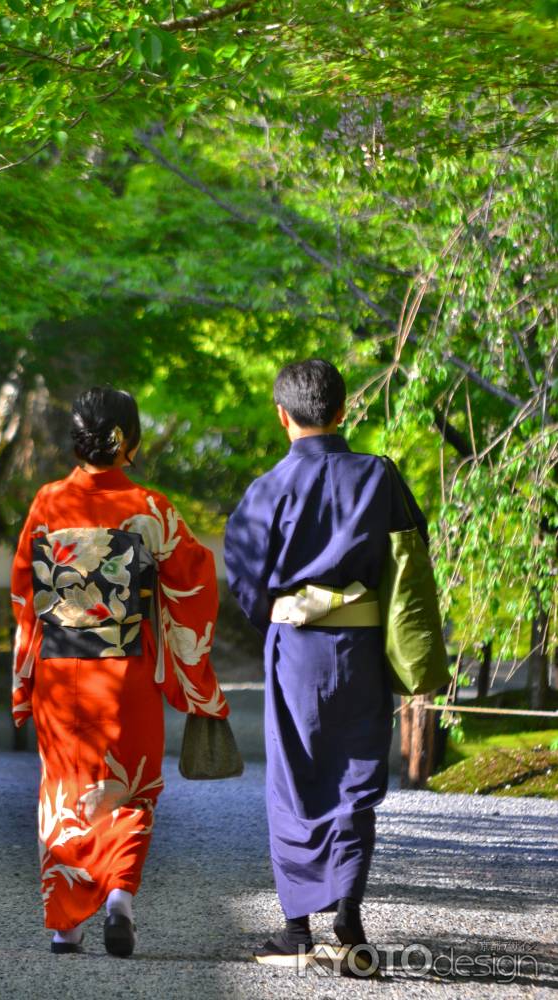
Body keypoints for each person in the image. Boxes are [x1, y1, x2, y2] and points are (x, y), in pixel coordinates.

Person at [224, 359, 428, 968]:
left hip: (295, 648)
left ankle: (296, 930)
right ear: (343, 411)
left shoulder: (267, 488)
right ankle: (349, 918)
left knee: (294, 778)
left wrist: (275, 616)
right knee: (355, 778)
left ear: (282, 416)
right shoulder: (379, 475)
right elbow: (412, 552)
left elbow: (244, 576)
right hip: (362, 647)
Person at [11, 386, 228, 956]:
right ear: (128, 440)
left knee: (64, 789)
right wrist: (189, 666)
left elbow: (24, 593)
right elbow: (194, 582)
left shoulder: (47, 503)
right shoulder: (151, 508)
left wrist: (24, 678)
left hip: (60, 669)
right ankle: (119, 899)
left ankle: (65, 926)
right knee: (131, 787)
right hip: (125, 671)